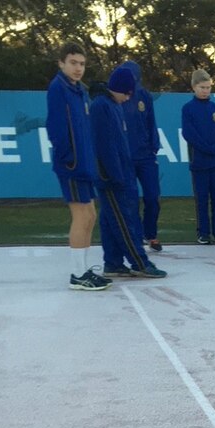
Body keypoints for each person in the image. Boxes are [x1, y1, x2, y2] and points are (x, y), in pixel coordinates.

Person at [46, 42, 112, 290]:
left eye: (82, 64)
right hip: (71, 165)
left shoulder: (79, 90)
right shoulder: (58, 89)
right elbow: (55, 128)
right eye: (73, 63)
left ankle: (84, 270)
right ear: (61, 63)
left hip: (84, 164)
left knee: (91, 215)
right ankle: (77, 274)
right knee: (81, 215)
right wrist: (69, 159)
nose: (78, 68)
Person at [92, 68, 167, 279]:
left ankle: (113, 262)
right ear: (119, 88)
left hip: (119, 171)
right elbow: (103, 146)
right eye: (127, 92)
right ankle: (140, 262)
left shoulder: (114, 105)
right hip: (112, 177)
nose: (129, 97)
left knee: (109, 221)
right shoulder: (101, 106)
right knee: (124, 220)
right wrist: (115, 176)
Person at [119, 61, 163, 252]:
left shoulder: (144, 95)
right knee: (131, 199)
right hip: (126, 157)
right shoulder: (116, 96)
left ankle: (151, 234)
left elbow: (151, 122)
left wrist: (154, 147)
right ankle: (135, 238)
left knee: (153, 197)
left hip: (146, 156)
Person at [182, 69, 215, 244]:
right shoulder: (188, 109)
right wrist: (207, 148)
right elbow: (189, 133)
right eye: (202, 87)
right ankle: (203, 233)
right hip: (199, 162)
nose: (205, 91)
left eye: (208, 87)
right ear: (194, 87)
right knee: (202, 199)